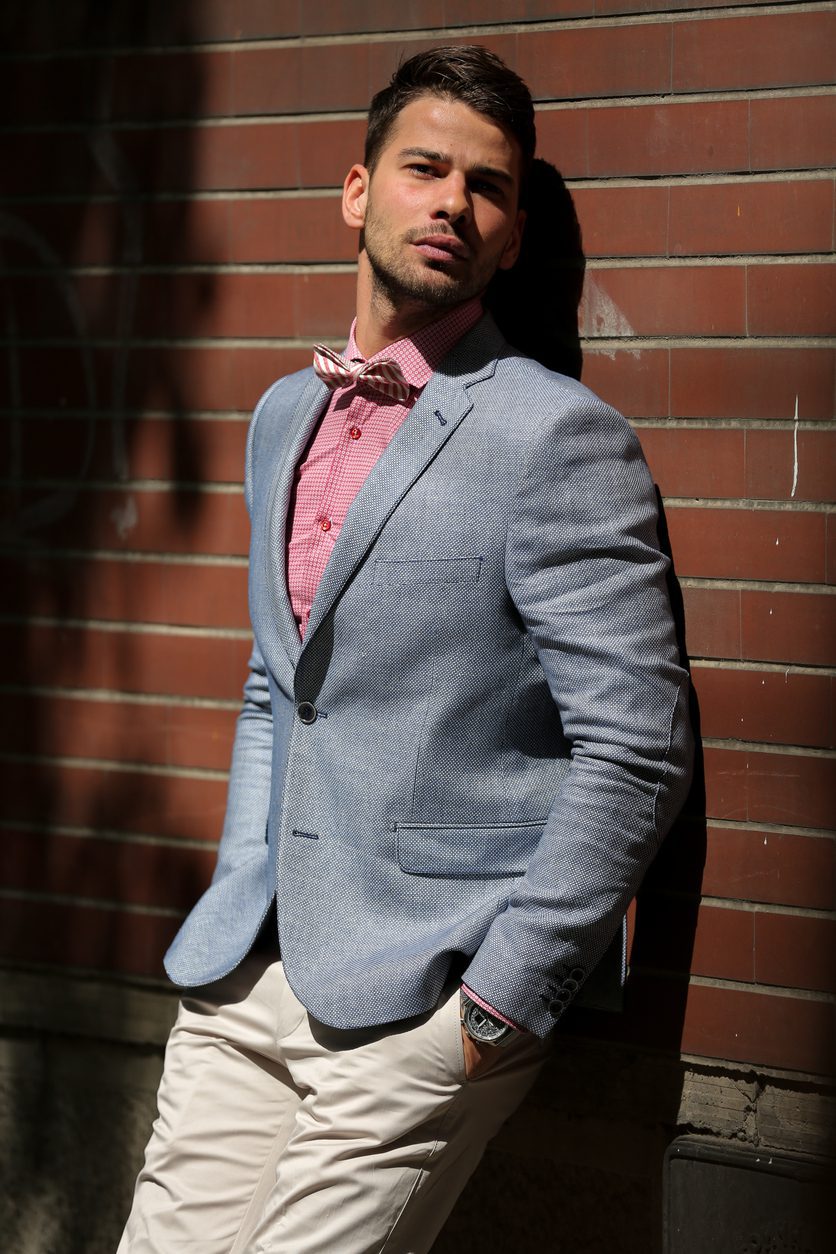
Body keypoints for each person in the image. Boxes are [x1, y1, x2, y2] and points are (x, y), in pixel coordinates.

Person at [118, 44, 693, 1254]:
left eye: (485, 187)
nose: (450, 203)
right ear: (355, 190)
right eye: (423, 168)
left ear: (511, 236)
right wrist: (240, 891)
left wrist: (501, 1003)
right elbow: (277, 688)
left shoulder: (557, 439)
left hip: (427, 994)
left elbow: (635, 749)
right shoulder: (286, 411)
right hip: (248, 973)